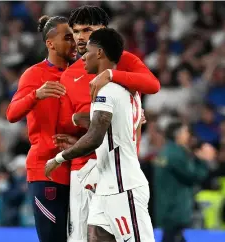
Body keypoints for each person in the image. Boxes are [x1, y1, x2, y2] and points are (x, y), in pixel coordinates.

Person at [55, 5, 160, 242]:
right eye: (76, 31)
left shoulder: (123, 61)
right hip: (84, 167)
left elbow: (152, 85)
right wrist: (78, 126)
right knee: (85, 238)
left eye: (88, 30)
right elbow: (69, 121)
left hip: (121, 170)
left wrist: (112, 75)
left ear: (103, 30)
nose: (81, 37)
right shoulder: (69, 75)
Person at [6, 15, 77, 242]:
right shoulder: (34, 74)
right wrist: (35, 95)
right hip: (47, 171)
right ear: (50, 43)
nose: (74, 43)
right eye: (68, 38)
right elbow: (12, 113)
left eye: (75, 38)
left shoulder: (81, 74)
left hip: (79, 173)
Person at [153, 122, 216, 242]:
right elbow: (194, 176)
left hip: (167, 208)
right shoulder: (176, 154)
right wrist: (203, 160)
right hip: (175, 210)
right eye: (186, 132)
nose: (188, 135)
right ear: (178, 135)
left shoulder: (167, 151)